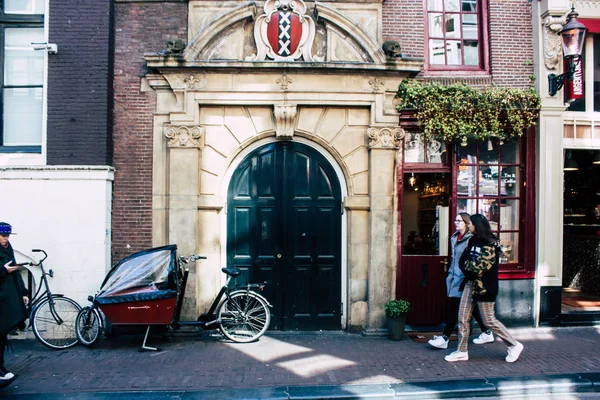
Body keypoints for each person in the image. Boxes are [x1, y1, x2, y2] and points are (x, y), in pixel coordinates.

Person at [444, 214, 524, 363]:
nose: (469, 226)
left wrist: (469, 267)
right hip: (470, 284)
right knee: (462, 317)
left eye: (471, 224)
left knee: (489, 321)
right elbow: (463, 261)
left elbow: (479, 269)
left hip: (485, 287)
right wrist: (469, 268)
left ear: (477, 225)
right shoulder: (473, 240)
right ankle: (461, 351)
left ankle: (514, 344)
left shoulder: (490, 244)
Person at [428, 213, 494, 349]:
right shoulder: (454, 237)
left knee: (454, 305)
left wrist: (466, 273)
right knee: (470, 307)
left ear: (467, 223)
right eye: (455, 220)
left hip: (464, 277)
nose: (456, 223)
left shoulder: (471, 239)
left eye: (460, 221)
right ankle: (487, 332)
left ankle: (445, 337)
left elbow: (471, 260)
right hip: (454, 275)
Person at [0, 222, 29, 382]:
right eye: (3, 236)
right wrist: (3, 270)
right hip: (2, 297)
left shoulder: (8, 249)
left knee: (2, 334)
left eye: (7, 236)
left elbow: (16, 272)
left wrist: (23, 292)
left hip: (6, 297)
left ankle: (1, 366)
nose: (6, 239)